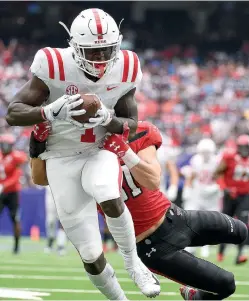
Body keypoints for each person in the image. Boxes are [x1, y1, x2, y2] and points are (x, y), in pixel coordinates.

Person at [6, 8, 160, 300]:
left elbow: (130, 125)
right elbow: (13, 113)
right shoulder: (53, 64)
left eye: (107, 51)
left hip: (97, 149)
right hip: (60, 156)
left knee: (105, 189)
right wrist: (49, 111)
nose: (101, 60)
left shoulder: (126, 67)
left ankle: (133, 261)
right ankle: (118, 298)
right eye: (93, 51)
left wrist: (106, 118)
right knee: (90, 252)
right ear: (75, 47)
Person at [31, 120, 247, 301]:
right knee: (226, 285)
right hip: (153, 247)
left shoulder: (137, 132)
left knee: (240, 231)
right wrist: (37, 144)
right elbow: (40, 178)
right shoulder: (77, 153)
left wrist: (124, 151)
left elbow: (153, 180)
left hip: (176, 217)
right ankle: (195, 296)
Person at [182, 138, 222, 258]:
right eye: (203, 152)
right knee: (190, 219)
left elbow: (222, 175)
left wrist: (218, 186)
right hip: (197, 193)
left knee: (210, 222)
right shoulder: (196, 160)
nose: (205, 155)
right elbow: (192, 175)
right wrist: (187, 188)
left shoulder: (217, 160)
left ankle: (205, 246)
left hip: (212, 195)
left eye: (207, 152)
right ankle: (189, 246)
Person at [214, 134, 249, 265]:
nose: (245, 149)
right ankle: (221, 251)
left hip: (245, 196)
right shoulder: (229, 157)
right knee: (226, 223)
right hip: (230, 195)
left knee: (243, 223)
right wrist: (225, 188)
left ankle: (240, 254)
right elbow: (217, 173)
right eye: (242, 147)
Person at [0, 134, 27, 253]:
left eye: (7, 144)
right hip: (1, 192)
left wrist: (3, 185)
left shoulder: (16, 156)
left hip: (12, 193)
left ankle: (16, 246)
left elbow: (17, 176)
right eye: (3, 144)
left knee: (15, 219)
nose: (5, 147)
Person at [44, 186, 67, 256]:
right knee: (50, 221)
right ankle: (50, 240)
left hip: (64, 191)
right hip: (50, 190)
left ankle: (61, 245)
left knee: (63, 220)